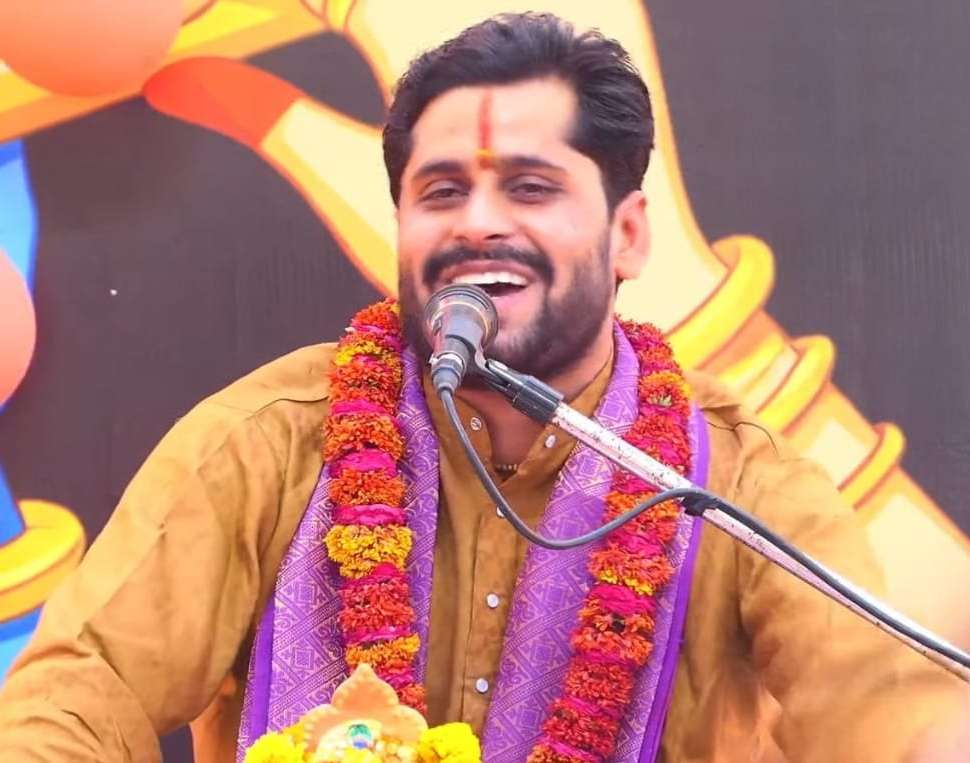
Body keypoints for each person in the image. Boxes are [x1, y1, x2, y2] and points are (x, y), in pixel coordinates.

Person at [0, 12, 966, 763]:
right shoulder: (271, 440)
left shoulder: (731, 482)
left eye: (532, 188)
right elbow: (79, 692)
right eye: (442, 191)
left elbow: (886, 702)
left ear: (629, 234)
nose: (478, 226)